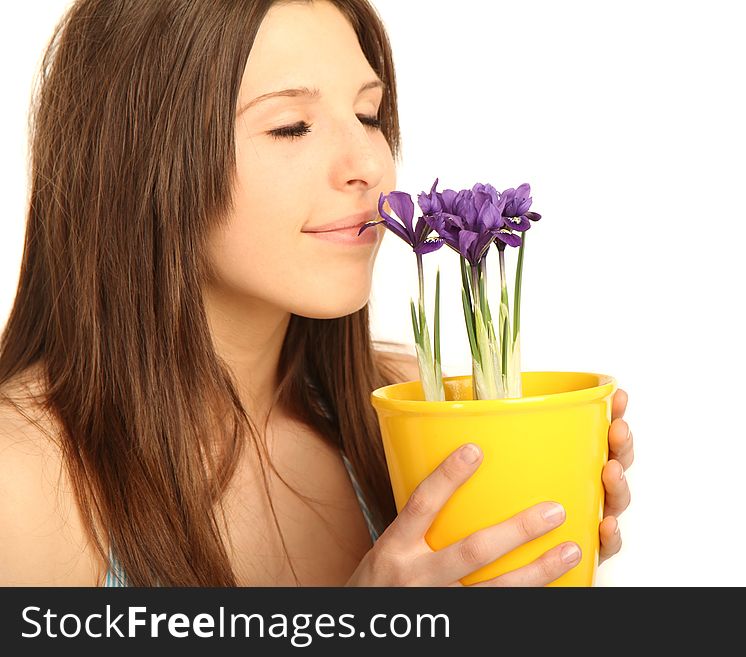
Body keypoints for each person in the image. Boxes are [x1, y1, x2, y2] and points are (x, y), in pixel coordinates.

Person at [0, 0, 633, 587]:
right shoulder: (22, 479)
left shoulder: (409, 411)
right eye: (292, 127)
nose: (367, 164)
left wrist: (529, 577)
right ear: (139, 159)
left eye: (368, 115)